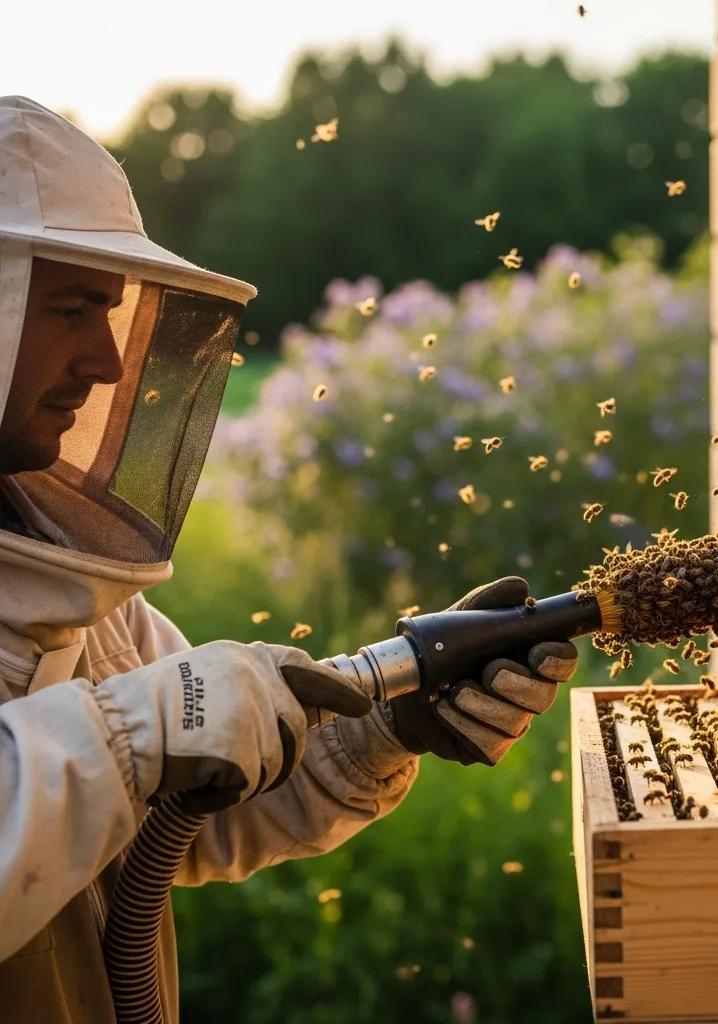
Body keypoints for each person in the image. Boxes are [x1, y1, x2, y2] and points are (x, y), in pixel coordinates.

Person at [0, 96, 578, 1023]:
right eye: (72, 310)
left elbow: (175, 812)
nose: (109, 364)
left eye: (110, 315)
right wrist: (130, 732)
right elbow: (133, 748)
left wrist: (379, 727)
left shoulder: (57, 566)